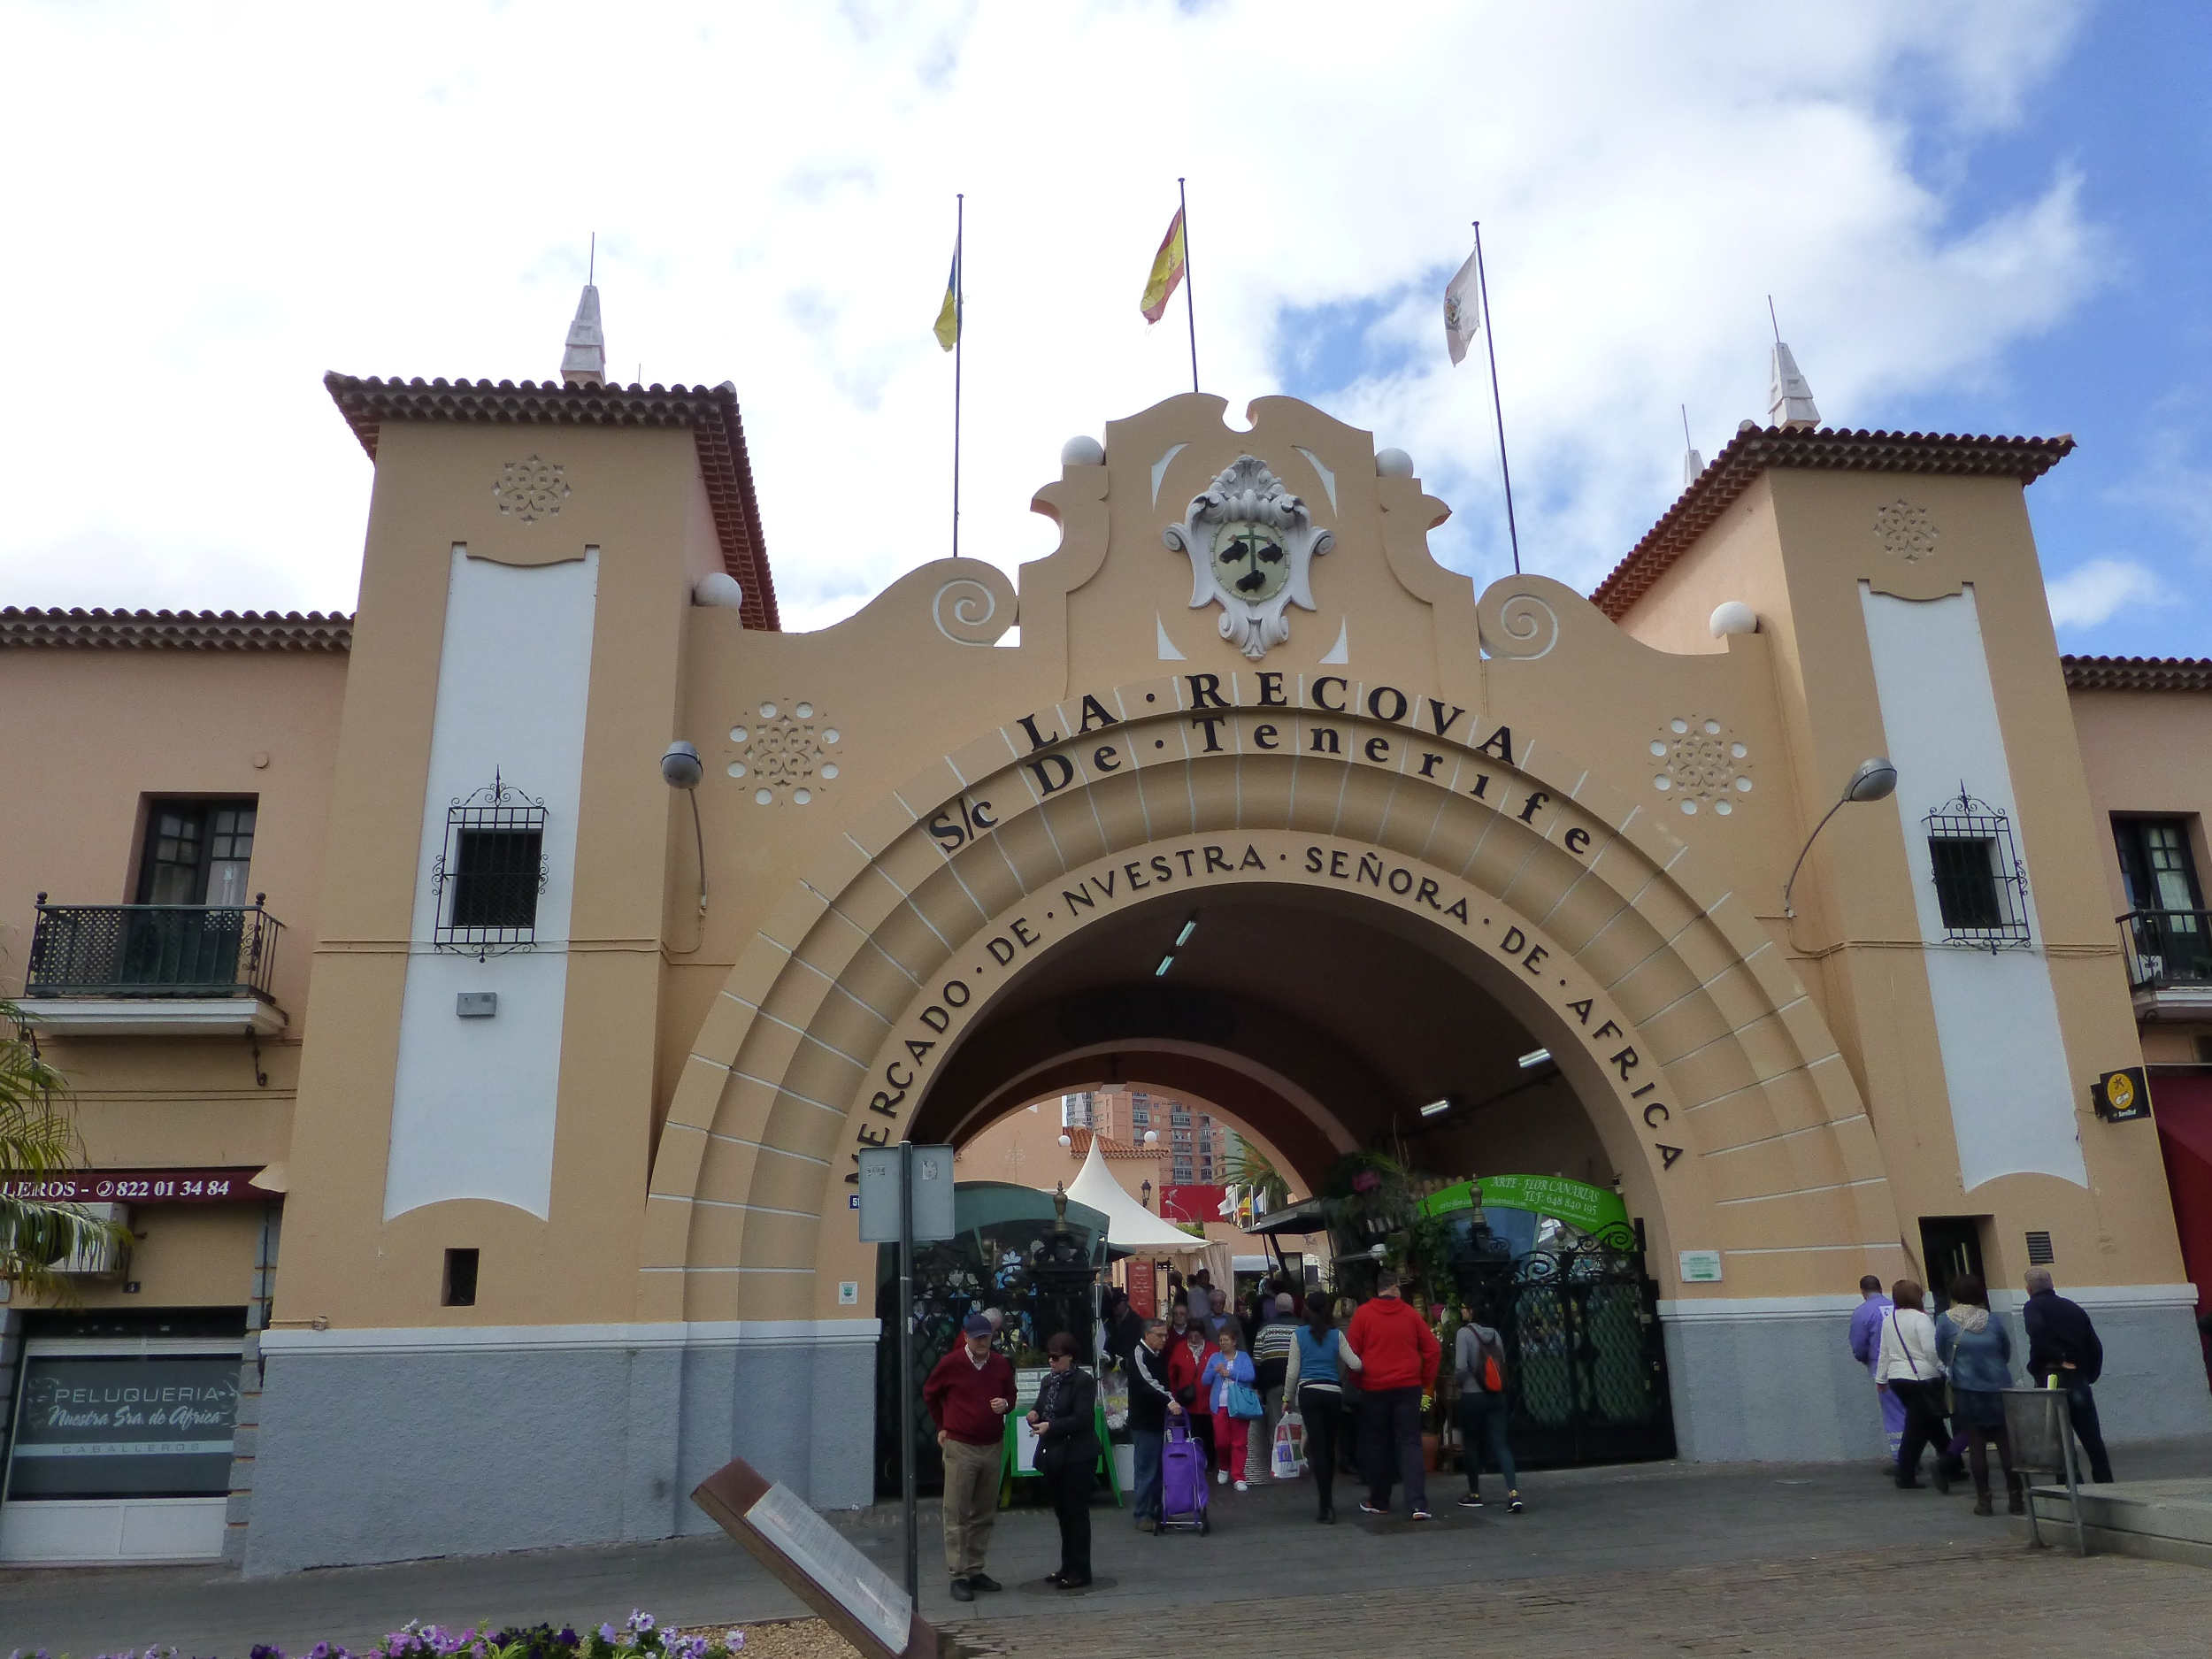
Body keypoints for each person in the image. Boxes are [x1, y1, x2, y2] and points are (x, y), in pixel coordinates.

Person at [922, 1311, 1014, 1602]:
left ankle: (975, 1569)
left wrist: (1006, 1405)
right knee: (957, 1512)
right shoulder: (952, 1364)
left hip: (992, 1444)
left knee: (984, 1512)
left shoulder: (999, 1364)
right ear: (966, 1337)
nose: (983, 1342)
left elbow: (1011, 1395)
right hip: (961, 1445)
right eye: (977, 1338)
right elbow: (930, 1393)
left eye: (987, 1337)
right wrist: (942, 1426)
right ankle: (958, 1574)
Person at [1348, 1271, 1441, 1519]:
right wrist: (1424, 1381)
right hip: (1408, 1386)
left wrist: (1360, 1381)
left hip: (1374, 1387)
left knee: (1378, 1444)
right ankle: (1417, 1504)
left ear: (1378, 1289)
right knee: (1410, 1443)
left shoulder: (1363, 1315)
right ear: (1396, 1288)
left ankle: (1379, 1500)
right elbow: (1432, 1349)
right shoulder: (1410, 1314)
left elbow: (1352, 1355)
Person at [1936, 1274, 2022, 1517]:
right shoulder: (1992, 1321)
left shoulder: (1945, 1321)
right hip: (1998, 1387)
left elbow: (1942, 1353)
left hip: (1967, 1389)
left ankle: (1984, 1500)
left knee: (1976, 1444)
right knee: (2006, 1443)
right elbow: (2005, 1351)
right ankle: (2016, 1497)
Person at [2023, 1267, 2114, 1484]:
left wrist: (2042, 1364)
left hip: (2051, 1377)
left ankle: (2071, 1484)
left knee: (2059, 1438)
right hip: (2078, 1378)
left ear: (2028, 1289)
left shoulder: (2033, 1307)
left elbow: (2038, 1337)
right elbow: (2094, 1344)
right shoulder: (2072, 1307)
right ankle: (2104, 1480)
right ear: (2052, 1284)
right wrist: (2090, 1373)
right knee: (2091, 1436)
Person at [1027, 1331, 1099, 1588]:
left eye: (1056, 1358)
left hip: (1078, 1454)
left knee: (1076, 1513)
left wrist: (1052, 1426)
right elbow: (1040, 1404)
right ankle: (1067, 1566)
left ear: (1070, 1357)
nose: (1051, 1362)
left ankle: (1081, 1569)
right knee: (1062, 1513)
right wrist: (1034, 1414)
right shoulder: (1049, 1381)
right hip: (1055, 1455)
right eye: (1049, 1357)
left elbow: (1083, 1419)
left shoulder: (1083, 1382)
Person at [1285, 1289, 1363, 1523]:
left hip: (1309, 1393)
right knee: (1329, 1449)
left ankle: (1324, 1505)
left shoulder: (1298, 1336)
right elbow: (1356, 1364)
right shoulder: (1336, 1336)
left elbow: (1292, 1373)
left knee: (1317, 1450)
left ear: (1306, 1309)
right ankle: (1329, 1504)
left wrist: (1286, 1399)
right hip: (1332, 1393)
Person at [1874, 1278, 1953, 1492]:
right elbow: (1930, 1349)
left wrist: (1881, 1379)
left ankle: (1953, 1465)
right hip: (1922, 1378)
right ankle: (1905, 1474)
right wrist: (1944, 1369)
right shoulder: (1921, 1319)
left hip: (1898, 1378)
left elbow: (1884, 1352)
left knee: (1931, 1424)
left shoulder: (1890, 1320)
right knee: (1916, 1429)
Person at [1453, 1302, 1521, 1512]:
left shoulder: (1464, 1334)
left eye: (1465, 1307)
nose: (1462, 1310)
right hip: (1496, 1395)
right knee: (1501, 1444)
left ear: (1472, 1311)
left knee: (1471, 1443)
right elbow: (1501, 1362)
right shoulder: (1495, 1334)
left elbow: (1461, 1367)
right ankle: (1513, 1493)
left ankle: (1474, 1493)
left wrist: (1458, 1383)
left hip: (1473, 1396)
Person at [1126, 1316, 1182, 1532]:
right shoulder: (1138, 1354)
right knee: (1146, 1470)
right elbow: (1147, 1383)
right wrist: (1170, 1400)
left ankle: (1156, 1511)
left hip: (1158, 1420)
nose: (1164, 1339)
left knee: (1159, 1470)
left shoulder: (1157, 1354)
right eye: (1160, 1335)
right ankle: (1142, 1514)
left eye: (1166, 1335)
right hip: (1144, 1422)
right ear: (1147, 1335)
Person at [1847, 1273, 1905, 1461]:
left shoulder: (1862, 1312)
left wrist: (1865, 1359)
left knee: (1894, 1416)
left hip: (1884, 1372)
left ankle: (1902, 1460)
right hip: (1909, 1368)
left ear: (1863, 1292)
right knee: (1912, 1413)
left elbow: (1859, 1345)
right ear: (1881, 1289)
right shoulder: (1898, 1306)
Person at [1201, 1324, 1261, 1488]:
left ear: (1234, 1341)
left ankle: (1239, 1476)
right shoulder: (1214, 1358)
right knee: (1221, 1442)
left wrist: (1231, 1373)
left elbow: (1251, 1376)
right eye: (1220, 1340)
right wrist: (1215, 1371)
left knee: (1239, 1442)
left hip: (1240, 1405)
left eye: (1226, 1340)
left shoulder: (1243, 1357)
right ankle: (1224, 1467)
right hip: (1219, 1405)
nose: (1223, 1343)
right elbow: (1204, 1380)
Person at [1250, 1292, 1298, 1486]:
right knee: (1297, 1420)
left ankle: (1279, 1461)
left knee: (1276, 1422)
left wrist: (1258, 1385)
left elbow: (1257, 1359)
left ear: (1276, 1308)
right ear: (1293, 1307)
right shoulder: (1302, 1326)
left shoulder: (1265, 1328)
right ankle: (1296, 1459)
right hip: (1295, 1382)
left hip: (1272, 1383)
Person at [1166, 1317, 1217, 1471]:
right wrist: (1174, 1397)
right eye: (1191, 1335)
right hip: (1188, 1403)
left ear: (1203, 1335)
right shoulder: (1180, 1348)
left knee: (1209, 1435)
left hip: (1209, 1402)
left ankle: (1210, 1464)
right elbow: (1171, 1374)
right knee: (1191, 1434)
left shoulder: (1213, 1350)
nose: (1194, 1339)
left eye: (1197, 1335)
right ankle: (1194, 1463)